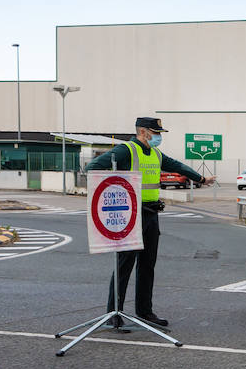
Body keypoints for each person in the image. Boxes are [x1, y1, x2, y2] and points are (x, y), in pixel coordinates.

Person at [84, 117, 214, 329]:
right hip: (131, 216)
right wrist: (117, 192)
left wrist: (199, 178)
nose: (158, 137)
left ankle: (145, 312)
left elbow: (177, 165)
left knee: (147, 265)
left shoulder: (155, 153)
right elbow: (93, 167)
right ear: (143, 132)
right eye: (155, 132)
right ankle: (113, 313)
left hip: (151, 213)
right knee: (125, 264)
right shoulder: (126, 150)